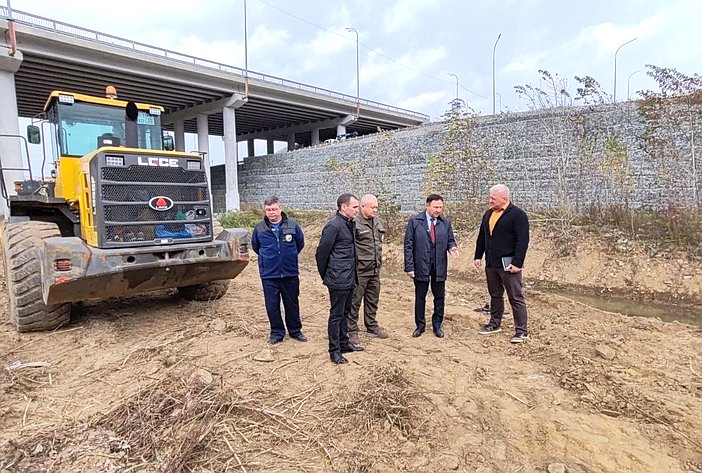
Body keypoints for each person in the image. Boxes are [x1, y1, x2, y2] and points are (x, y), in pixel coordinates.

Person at [473, 184, 530, 343]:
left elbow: (523, 240)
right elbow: (482, 237)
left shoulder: (518, 215)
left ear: (504, 198)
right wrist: (478, 256)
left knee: (515, 297)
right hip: (491, 263)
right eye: (490, 197)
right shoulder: (488, 214)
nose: (490, 200)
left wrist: (518, 263)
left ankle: (521, 331)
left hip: (509, 265)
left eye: (493, 198)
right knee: (495, 295)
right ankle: (494, 324)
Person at [316, 193, 365, 364]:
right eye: (355, 207)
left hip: (349, 277)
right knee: (336, 315)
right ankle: (334, 350)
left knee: (346, 312)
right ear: (344, 207)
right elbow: (321, 254)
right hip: (338, 279)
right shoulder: (334, 226)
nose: (357, 210)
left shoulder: (349, 224)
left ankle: (344, 344)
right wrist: (328, 276)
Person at [251, 196, 307, 344]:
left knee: (292, 303)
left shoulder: (292, 226)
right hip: (269, 275)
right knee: (272, 306)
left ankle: (295, 331)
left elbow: (299, 244)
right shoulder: (259, 229)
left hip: (289, 273)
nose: (272, 213)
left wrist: (287, 257)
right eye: (268, 210)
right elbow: (256, 247)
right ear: (265, 211)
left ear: (280, 209)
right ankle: (277, 333)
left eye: (274, 209)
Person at [404, 194, 459, 338]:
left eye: (440, 207)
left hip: (439, 265)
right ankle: (420, 325)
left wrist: (452, 247)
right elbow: (408, 246)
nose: (438, 210)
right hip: (420, 265)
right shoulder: (415, 222)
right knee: (420, 296)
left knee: (439, 296)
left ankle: (437, 324)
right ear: (427, 205)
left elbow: (450, 240)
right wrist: (409, 266)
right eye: (435, 207)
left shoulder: (445, 223)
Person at [348, 194, 389, 345]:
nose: (375, 210)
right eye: (372, 207)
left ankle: (371, 326)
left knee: (373, 299)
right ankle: (351, 330)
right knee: (355, 301)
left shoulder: (377, 222)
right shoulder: (354, 223)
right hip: (360, 271)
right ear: (362, 207)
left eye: (377, 207)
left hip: (374, 269)